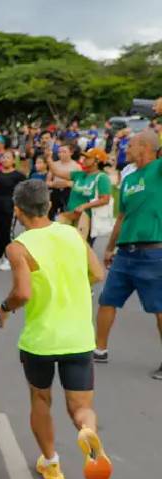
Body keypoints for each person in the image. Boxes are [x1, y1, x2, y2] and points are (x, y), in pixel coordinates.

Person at [0, 180, 112, 479]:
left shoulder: (18, 247)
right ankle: (88, 435)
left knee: (40, 398)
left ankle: (51, 463)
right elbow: (98, 273)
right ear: (49, 206)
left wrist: (4, 308)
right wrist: (75, 287)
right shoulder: (72, 234)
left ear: (18, 211)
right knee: (81, 408)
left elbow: (22, 293)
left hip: (41, 340)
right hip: (78, 337)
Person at [94, 131, 162, 378]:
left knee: (159, 307)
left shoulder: (158, 170)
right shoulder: (130, 179)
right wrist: (111, 246)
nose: (126, 148)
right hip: (125, 252)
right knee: (107, 300)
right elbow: (121, 217)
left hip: (154, 252)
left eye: (130, 145)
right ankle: (99, 349)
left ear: (145, 147)